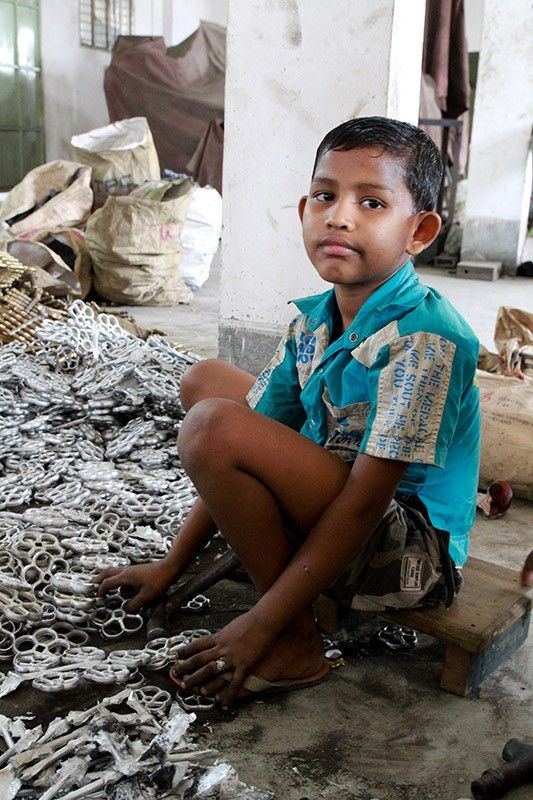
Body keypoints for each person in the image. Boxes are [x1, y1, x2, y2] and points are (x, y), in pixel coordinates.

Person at [97, 116, 481, 709]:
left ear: (420, 231)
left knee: (214, 425)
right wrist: (172, 564)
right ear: (304, 207)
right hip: (344, 485)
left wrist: (263, 621)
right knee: (207, 383)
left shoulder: (426, 339)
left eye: (372, 202)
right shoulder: (316, 320)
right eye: (325, 196)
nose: (340, 216)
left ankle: (297, 640)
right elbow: (259, 426)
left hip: (412, 556)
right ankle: (285, 603)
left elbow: (362, 503)